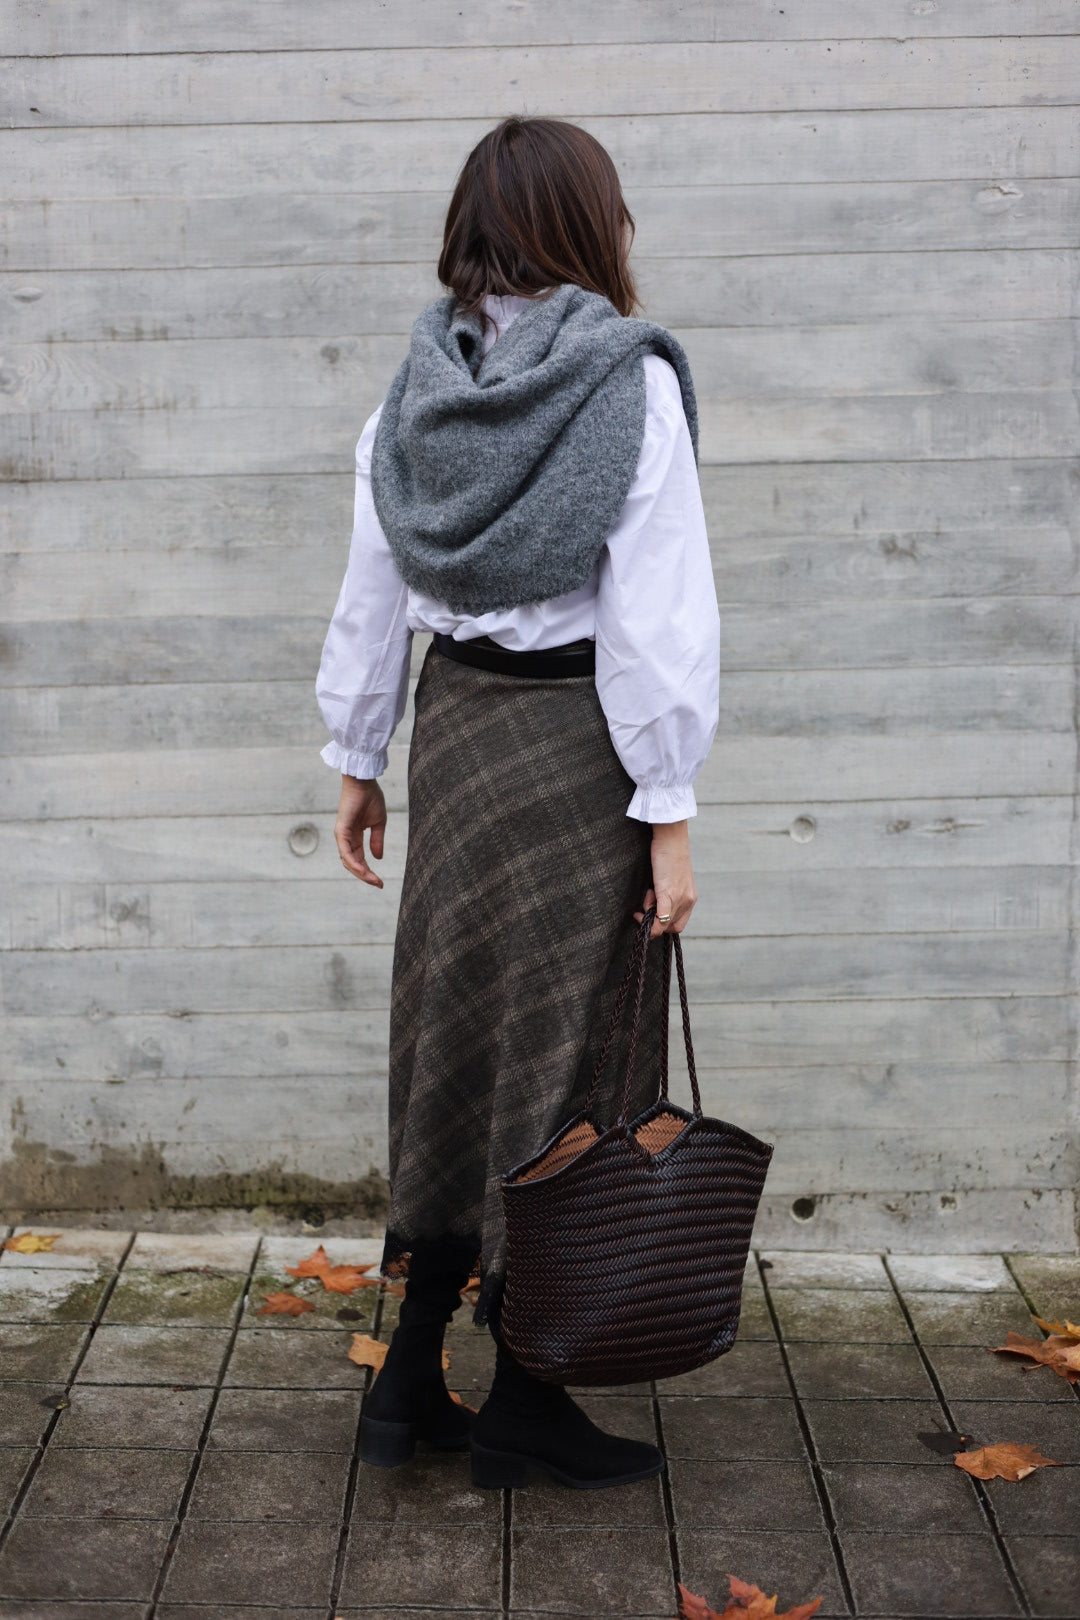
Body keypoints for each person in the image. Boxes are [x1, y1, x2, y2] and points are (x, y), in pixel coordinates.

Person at [315, 114, 720, 1490]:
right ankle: (527, 1398)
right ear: (589, 225)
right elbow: (658, 614)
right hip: (578, 747)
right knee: (582, 1055)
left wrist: (359, 756)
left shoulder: (418, 388)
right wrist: (668, 810)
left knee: (452, 1033)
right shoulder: (627, 382)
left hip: (457, 740)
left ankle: (408, 1381)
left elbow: (374, 584)